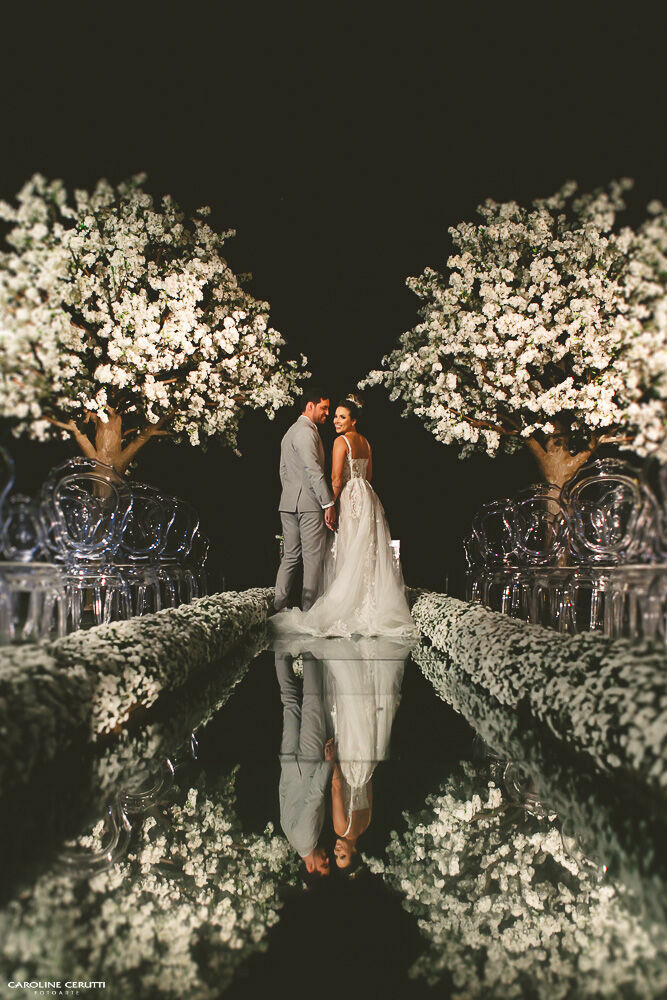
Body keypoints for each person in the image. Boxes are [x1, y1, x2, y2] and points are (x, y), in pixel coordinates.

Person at [270, 394, 415, 637]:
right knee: (363, 551)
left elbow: (329, 477)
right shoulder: (366, 442)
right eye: (330, 412)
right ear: (310, 405)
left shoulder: (301, 434)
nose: (333, 419)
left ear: (354, 420)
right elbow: (365, 475)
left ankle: (284, 607)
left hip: (322, 498)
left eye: (340, 416)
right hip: (365, 496)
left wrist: (332, 501)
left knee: (326, 552)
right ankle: (340, 605)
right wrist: (330, 503)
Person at [274, 387, 337, 614]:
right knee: (312, 559)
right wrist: (328, 504)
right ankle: (311, 614)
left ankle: (278, 607)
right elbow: (314, 471)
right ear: (310, 406)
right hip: (309, 504)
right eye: (324, 408)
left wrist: (291, 493)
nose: (327, 413)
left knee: (290, 557)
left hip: (288, 502)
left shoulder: (290, 432)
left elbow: (282, 471)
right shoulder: (306, 432)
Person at [275, 651, 334, 882]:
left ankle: (310, 641)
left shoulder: (307, 838)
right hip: (289, 763)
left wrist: (328, 765)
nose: (327, 859)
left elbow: (315, 796)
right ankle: (280, 650)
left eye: (324, 865)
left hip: (308, 764)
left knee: (312, 699)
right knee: (289, 702)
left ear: (311, 869)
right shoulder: (290, 836)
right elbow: (282, 793)